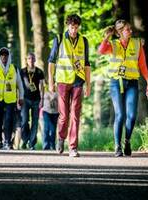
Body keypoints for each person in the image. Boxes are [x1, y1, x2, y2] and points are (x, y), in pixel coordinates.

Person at [98, 19, 148, 157]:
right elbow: (101, 51)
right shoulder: (113, 44)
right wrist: (106, 37)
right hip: (116, 83)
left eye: (130, 28)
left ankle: (127, 141)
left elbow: (143, 66)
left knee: (131, 116)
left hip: (132, 83)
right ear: (120, 32)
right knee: (120, 115)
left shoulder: (137, 44)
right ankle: (117, 147)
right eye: (127, 29)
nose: (130, 31)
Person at [48, 14, 91, 157]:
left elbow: (86, 64)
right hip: (62, 81)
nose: (74, 30)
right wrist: (50, 81)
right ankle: (60, 138)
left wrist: (88, 85)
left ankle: (73, 147)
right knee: (64, 115)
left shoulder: (84, 41)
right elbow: (51, 61)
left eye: (76, 27)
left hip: (78, 81)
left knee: (75, 115)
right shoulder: (59, 39)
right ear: (68, 25)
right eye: (72, 27)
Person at [0, 47, 24, 150]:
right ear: (0, 56)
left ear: (9, 56)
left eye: (6, 55)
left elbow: (19, 84)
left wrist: (21, 97)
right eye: (2, 55)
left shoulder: (14, 68)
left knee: (9, 119)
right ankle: (0, 141)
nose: (4, 56)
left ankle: (8, 141)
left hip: (10, 99)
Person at [20, 53, 45, 150]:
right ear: (26, 60)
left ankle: (32, 143)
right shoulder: (22, 71)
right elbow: (19, 85)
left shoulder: (39, 72)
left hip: (36, 100)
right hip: (25, 99)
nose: (31, 60)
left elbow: (42, 86)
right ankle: (25, 140)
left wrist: (42, 99)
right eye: (29, 58)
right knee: (24, 121)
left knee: (35, 122)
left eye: (32, 58)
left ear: (35, 60)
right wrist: (19, 98)